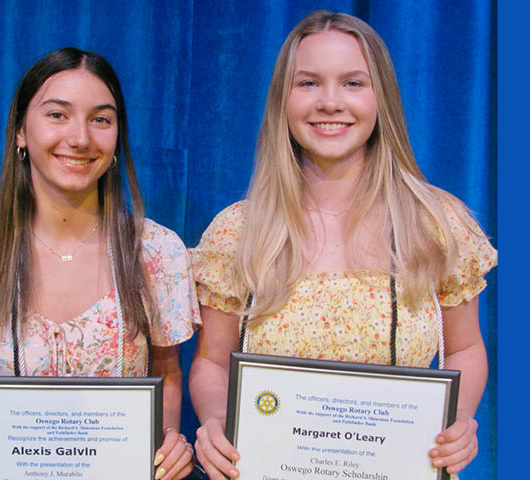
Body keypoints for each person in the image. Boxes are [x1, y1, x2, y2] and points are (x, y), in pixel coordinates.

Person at [188, 10, 496, 480]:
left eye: (353, 83)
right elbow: (212, 362)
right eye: (308, 83)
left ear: (383, 99)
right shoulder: (238, 233)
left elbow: (465, 348)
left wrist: (459, 418)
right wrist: (213, 420)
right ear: (282, 100)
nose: (330, 102)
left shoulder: (435, 223)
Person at [0, 47, 200, 480]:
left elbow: (166, 371)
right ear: (19, 131)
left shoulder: (159, 253)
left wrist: (168, 447)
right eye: (58, 115)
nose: (81, 138)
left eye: (101, 119)